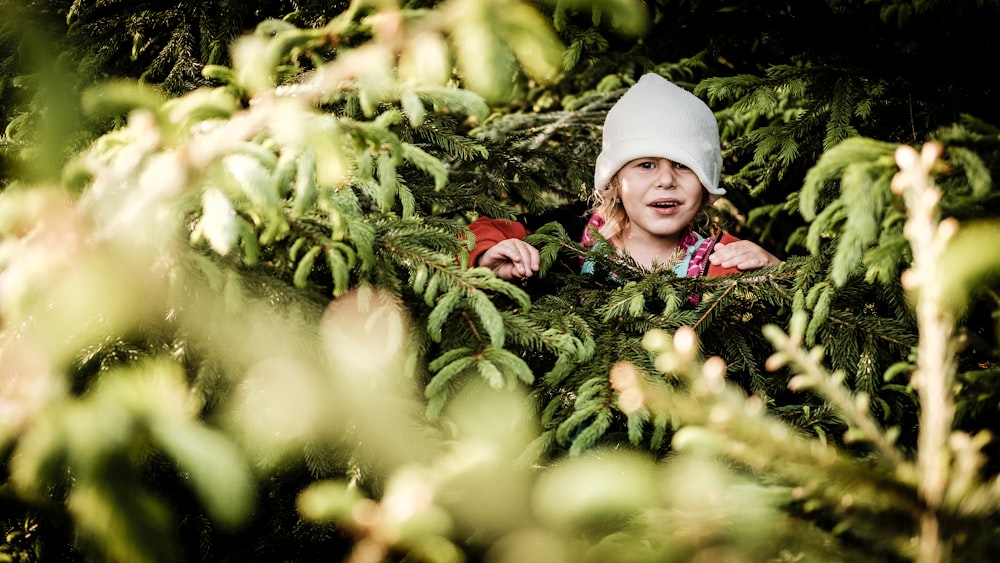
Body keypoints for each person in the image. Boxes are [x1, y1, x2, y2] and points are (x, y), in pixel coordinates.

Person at [468, 73, 780, 281]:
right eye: (646, 165)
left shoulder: (722, 258)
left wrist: (776, 271)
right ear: (615, 180)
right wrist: (487, 257)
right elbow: (477, 232)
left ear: (705, 184)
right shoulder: (567, 232)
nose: (666, 180)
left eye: (683, 165)